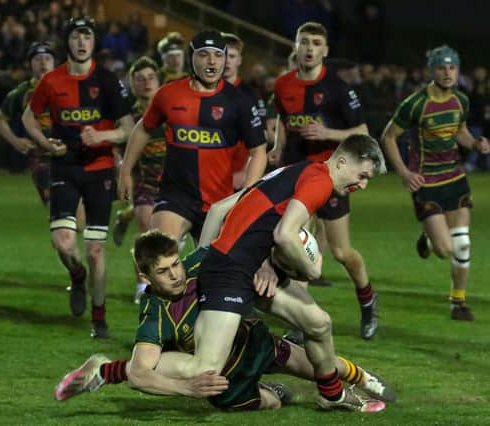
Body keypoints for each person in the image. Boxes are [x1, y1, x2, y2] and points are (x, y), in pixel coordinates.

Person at [147, 135, 387, 412]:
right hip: (230, 273)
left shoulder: (295, 171)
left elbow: (219, 209)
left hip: (245, 269)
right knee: (207, 368)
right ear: (342, 161)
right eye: (363, 175)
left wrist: (217, 261)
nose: (363, 185)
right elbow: (284, 234)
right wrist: (311, 269)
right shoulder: (319, 182)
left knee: (318, 323)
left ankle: (331, 395)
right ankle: (133, 367)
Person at [54, 231, 394, 411]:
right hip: (224, 381)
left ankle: (363, 378)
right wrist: (187, 389)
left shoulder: (202, 262)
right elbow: (141, 373)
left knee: (318, 364)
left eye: (175, 264)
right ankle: (268, 390)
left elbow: (246, 241)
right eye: (163, 271)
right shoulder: (155, 314)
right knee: (275, 402)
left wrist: (263, 266)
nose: (175, 274)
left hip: (252, 341)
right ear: (144, 276)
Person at [22, 17, 134, 338]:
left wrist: (102, 137)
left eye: (87, 37)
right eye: (75, 37)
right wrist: (44, 143)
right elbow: (28, 117)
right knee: (64, 243)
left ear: (94, 42)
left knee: (96, 249)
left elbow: (128, 127)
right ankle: (77, 274)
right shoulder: (52, 80)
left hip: (99, 172)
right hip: (65, 168)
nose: (81, 43)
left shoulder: (109, 81)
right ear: (67, 43)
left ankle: (98, 319)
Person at [271, 22, 378, 340]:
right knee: (297, 246)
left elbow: (362, 132)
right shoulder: (283, 85)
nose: (309, 48)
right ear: (296, 46)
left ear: (325, 50)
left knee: (342, 252)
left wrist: (327, 134)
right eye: (304, 42)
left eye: (316, 43)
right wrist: (277, 146)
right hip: (297, 175)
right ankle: (302, 320)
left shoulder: (338, 89)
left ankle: (368, 300)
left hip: (332, 178)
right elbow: (280, 118)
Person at [118, 30, 266, 242]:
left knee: (210, 272)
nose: (212, 61)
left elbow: (258, 150)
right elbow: (143, 128)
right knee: (160, 251)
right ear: (191, 57)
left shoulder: (239, 101)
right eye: (204, 54)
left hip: (218, 201)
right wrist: (125, 171)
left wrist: (246, 192)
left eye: (218, 55)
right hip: (175, 195)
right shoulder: (168, 94)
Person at [381, 45, 490, 321]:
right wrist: (405, 173)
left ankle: (458, 303)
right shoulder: (415, 103)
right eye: (441, 67)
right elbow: (388, 137)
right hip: (426, 183)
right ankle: (429, 240)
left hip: (455, 178)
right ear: (432, 71)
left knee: (462, 244)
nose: (447, 72)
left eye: (452, 67)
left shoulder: (461, 101)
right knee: (444, 250)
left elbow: (461, 132)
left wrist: (476, 144)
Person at [0, 42, 56, 205]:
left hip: (70, 154)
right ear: (30, 65)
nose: (43, 63)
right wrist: (15, 141)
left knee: (79, 216)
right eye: (37, 59)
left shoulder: (68, 88)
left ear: (54, 63)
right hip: (41, 158)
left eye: (47, 58)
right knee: (59, 207)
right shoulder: (22, 92)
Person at [112, 57, 165, 248]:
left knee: (166, 235)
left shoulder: (172, 112)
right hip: (143, 180)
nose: (147, 83)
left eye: (151, 77)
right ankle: (142, 279)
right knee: (145, 224)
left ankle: (125, 216)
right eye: (140, 79)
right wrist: (120, 167)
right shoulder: (128, 117)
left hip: (171, 180)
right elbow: (116, 147)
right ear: (133, 84)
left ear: (158, 81)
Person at [220, 32, 267, 191]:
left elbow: (261, 137)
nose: (227, 61)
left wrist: (245, 171)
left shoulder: (250, 94)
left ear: (239, 60)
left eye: (232, 56)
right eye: (223, 55)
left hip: (237, 175)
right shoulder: (204, 90)